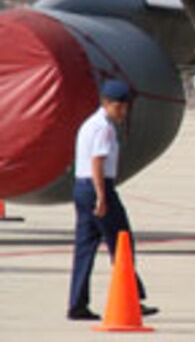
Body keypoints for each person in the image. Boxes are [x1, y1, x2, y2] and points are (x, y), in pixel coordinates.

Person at [68, 79, 158, 321]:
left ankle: (77, 303)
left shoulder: (90, 124)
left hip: (81, 186)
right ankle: (133, 298)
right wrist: (101, 196)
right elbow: (97, 162)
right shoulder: (104, 128)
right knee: (122, 242)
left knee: (85, 247)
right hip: (98, 187)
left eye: (126, 106)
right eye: (119, 106)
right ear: (105, 103)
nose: (123, 111)